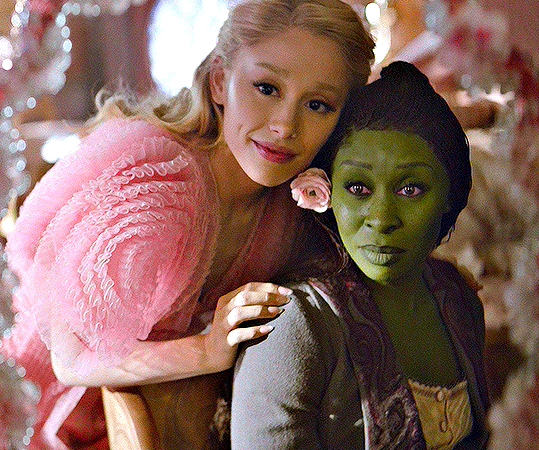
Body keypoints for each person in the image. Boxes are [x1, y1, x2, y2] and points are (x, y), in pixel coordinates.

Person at [0, 0, 374, 448]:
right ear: (219, 82)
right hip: (30, 413)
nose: (285, 125)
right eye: (266, 88)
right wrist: (206, 349)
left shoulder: (288, 208)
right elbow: (71, 359)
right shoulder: (162, 194)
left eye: (317, 104)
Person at [231, 61, 490, 449]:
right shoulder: (295, 326)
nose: (382, 219)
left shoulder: (458, 297)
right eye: (357, 188)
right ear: (325, 193)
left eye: (410, 189)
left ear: (449, 197)